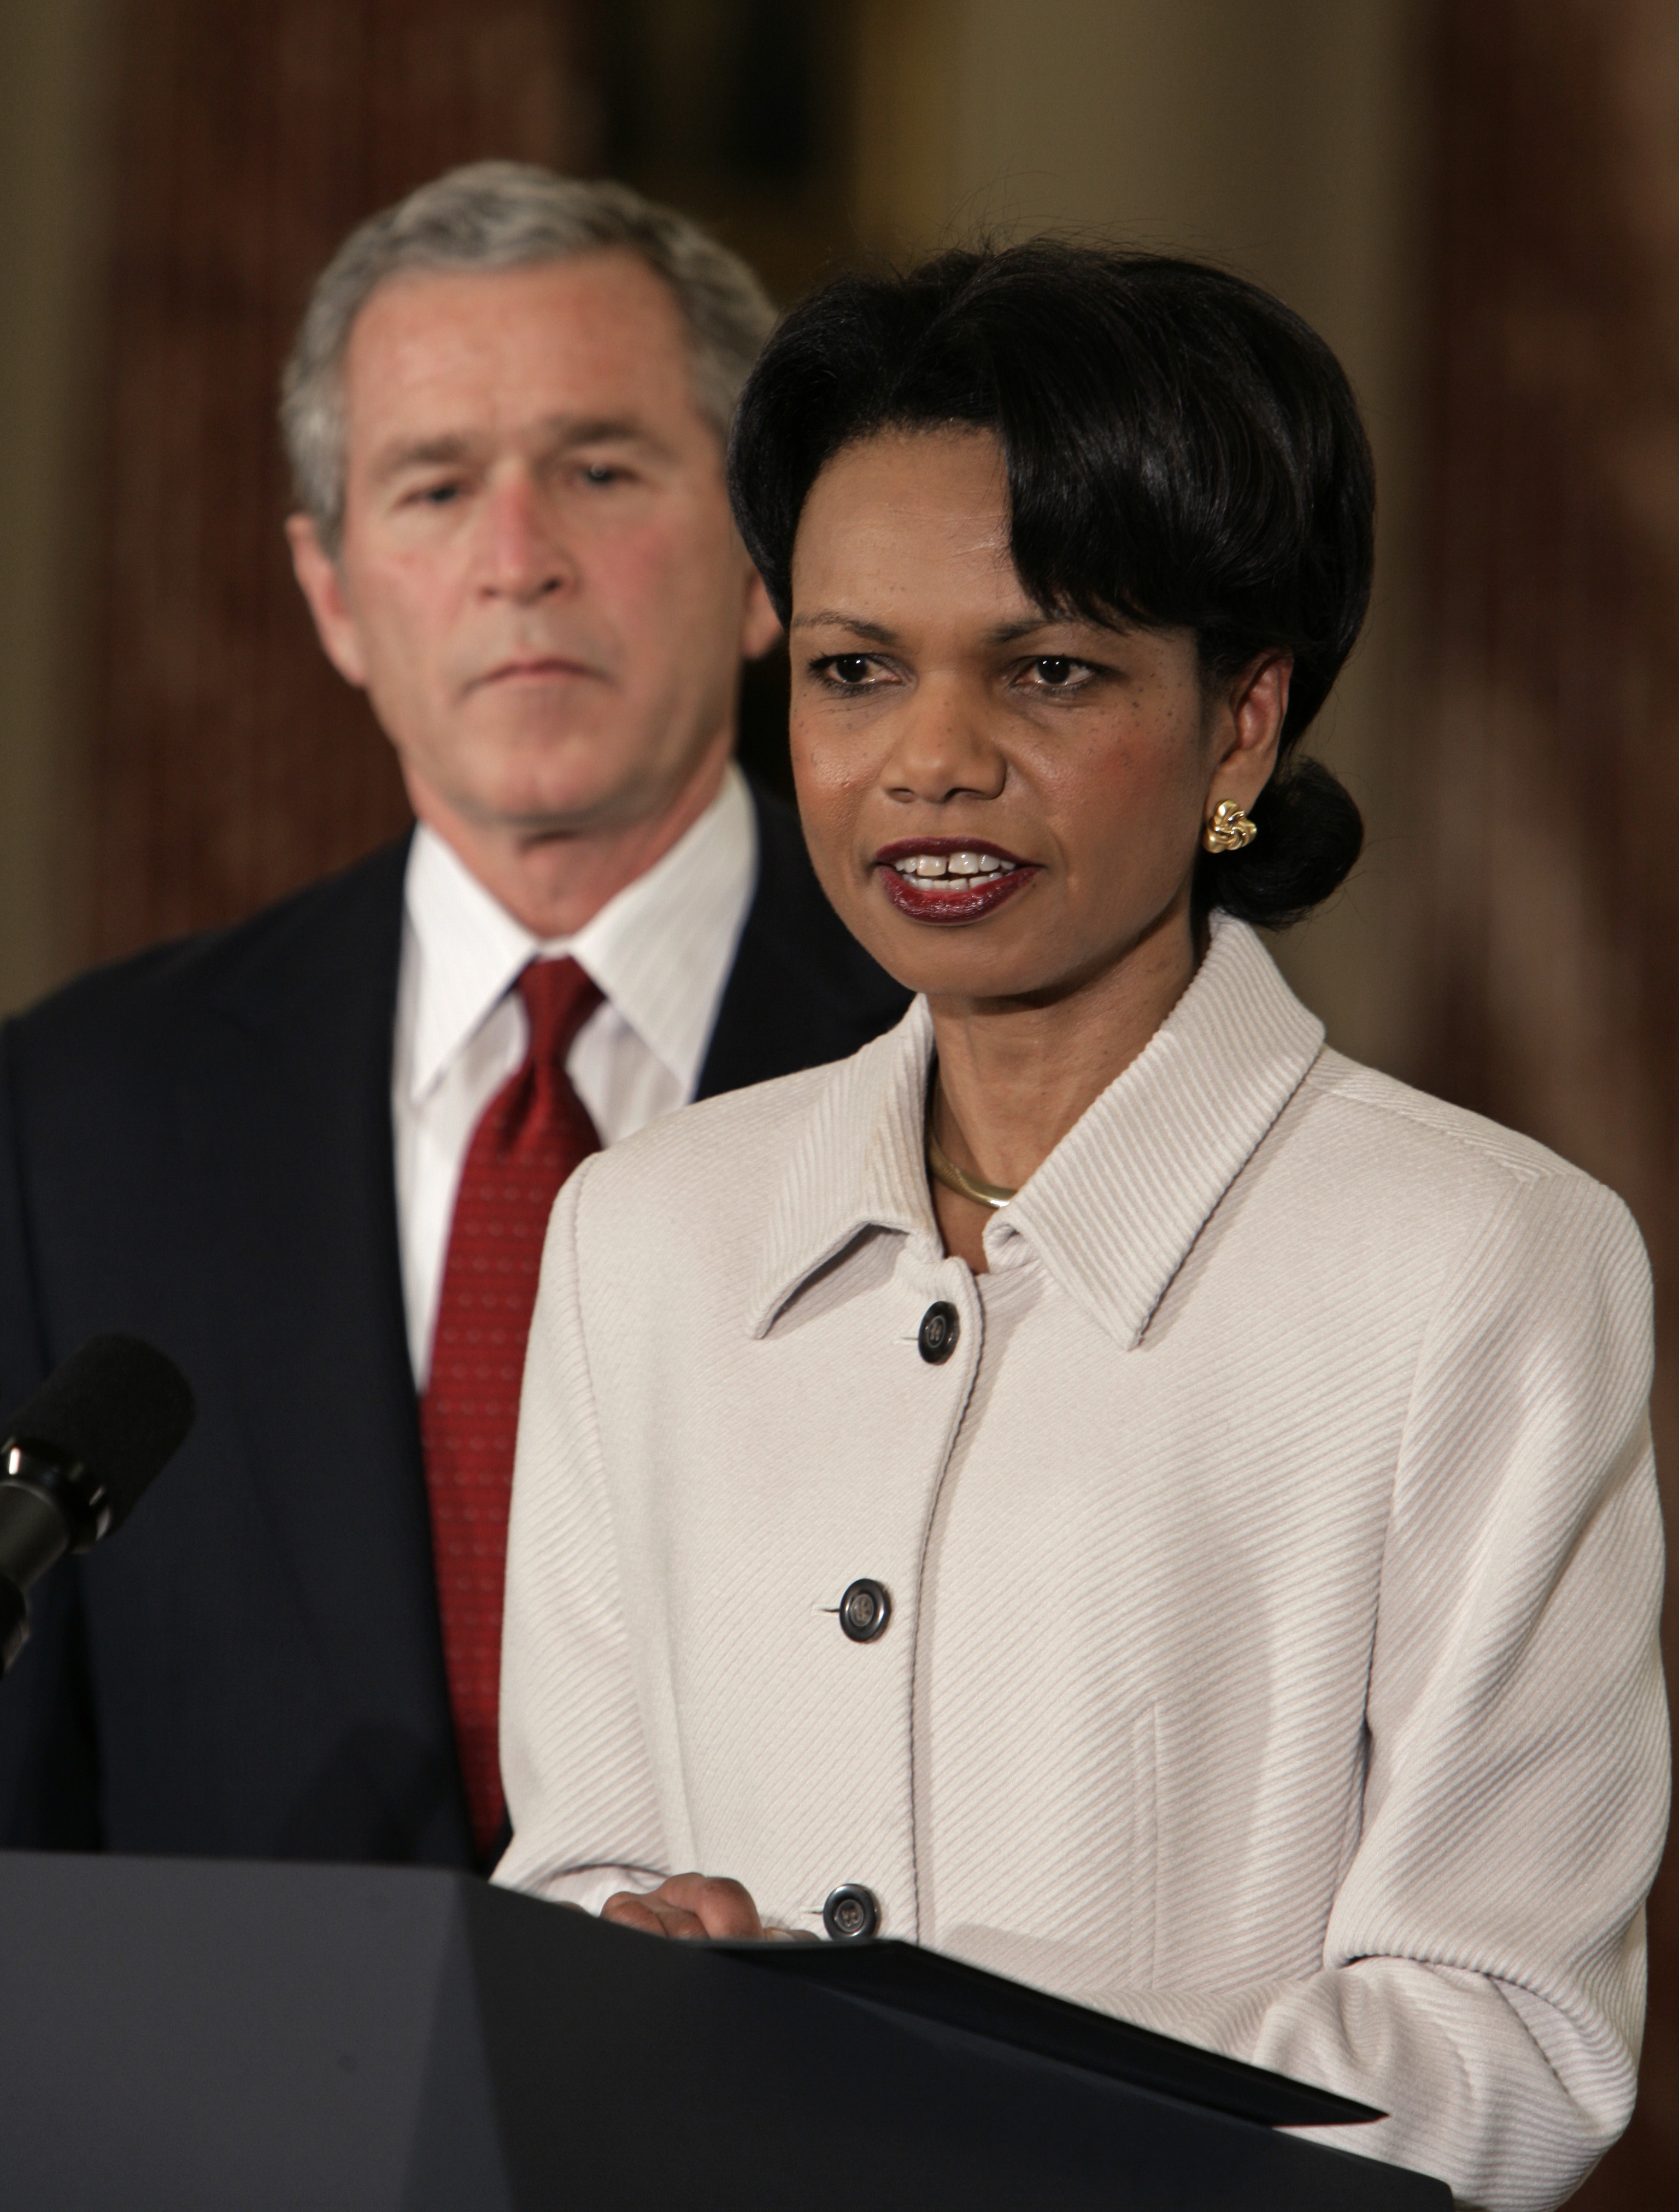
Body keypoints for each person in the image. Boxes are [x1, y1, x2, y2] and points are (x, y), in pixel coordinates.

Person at [497, 241, 1668, 2208]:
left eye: (1048, 672)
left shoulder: (1481, 1263)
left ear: (1242, 724)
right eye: (856, 670)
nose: (931, 759)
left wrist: (909, 2052)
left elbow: (1513, 2047)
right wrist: (640, 1965)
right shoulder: (645, 1238)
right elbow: (574, 1883)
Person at [0, 164, 907, 1868]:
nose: (517, 561)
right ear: (334, 596)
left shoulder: (968, 1043)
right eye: (433, 486)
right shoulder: (79, 1114)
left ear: (766, 562)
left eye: (599, 469)